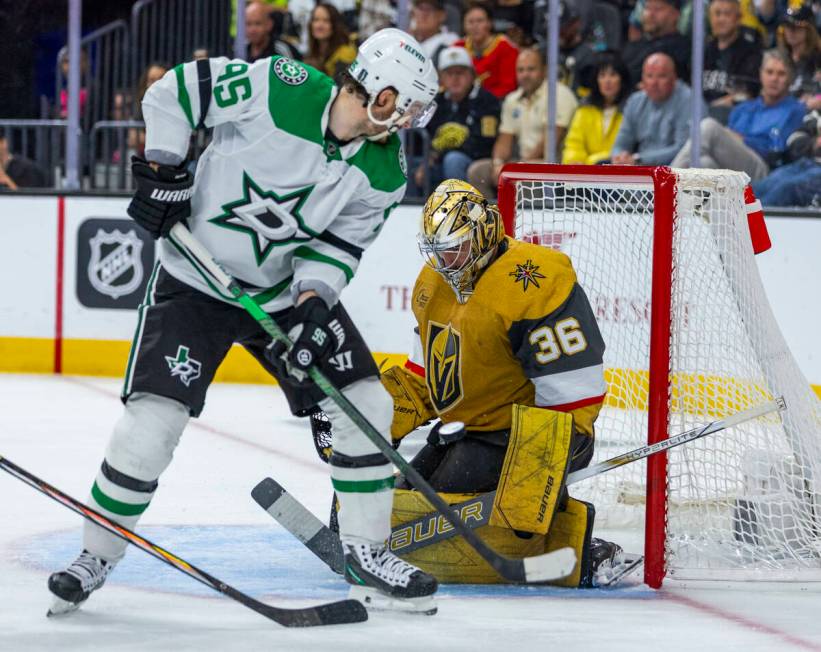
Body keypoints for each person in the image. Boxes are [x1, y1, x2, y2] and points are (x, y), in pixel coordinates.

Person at [47, 28, 442, 617]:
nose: (409, 120)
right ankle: (95, 555)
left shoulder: (385, 170)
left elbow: (340, 246)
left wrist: (312, 304)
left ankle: (367, 552)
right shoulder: (279, 87)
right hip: (194, 283)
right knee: (152, 421)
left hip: (281, 296)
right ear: (383, 95)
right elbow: (174, 91)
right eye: (406, 105)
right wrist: (163, 167)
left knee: (365, 402)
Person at [327, 179, 622, 587]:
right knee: (403, 501)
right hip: (466, 431)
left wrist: (540, 466)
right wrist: (372, 418)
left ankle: (582, 551)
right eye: (435, 251)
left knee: (433, 521)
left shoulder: (536, 282)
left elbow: (575, 394)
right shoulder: (432, 285)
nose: (445, 260)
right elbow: (424, 379)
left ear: (483, 233)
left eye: (454, 247)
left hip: (529, 435)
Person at [672, 49, 806, 180]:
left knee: (709, 126)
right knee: (703, 163)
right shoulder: (743, 108)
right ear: (761, 74)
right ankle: (673, 197)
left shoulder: (796, 110)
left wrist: (743, 140)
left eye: (781, 74)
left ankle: (663, 187)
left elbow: (778, 152)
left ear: (790, 79)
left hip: (763, 169)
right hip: (734, 171)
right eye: (769, 72)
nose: (774, 79)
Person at [467, 48, 578, 197]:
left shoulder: (559, 94)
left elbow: (550, 141)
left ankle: (519, 219)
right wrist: (498, 163)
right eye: (521, 70)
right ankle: (490, 217)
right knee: (477, 171)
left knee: (522, 178)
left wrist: (517, 169)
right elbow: (505, 138)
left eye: (531, 69)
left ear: (544, 70)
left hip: (553, 164)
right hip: (522, 162)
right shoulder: (512, 100)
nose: (525, 75)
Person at [413, 46, 500, 190]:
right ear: (441, 77)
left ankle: (458, 208)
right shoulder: (435, 103)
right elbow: (423, 137)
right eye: (449, 73)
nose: (455, 78)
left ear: (472, 75)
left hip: (474, 160)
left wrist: (439, 155)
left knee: (453, 160)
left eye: (460, 73)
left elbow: (485, 142)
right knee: (410, 163)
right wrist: (428, 158)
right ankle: (410, 210)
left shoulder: (486, 101)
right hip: (437, 160)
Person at [611, 53, 703, 165]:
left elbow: (684, 149)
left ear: (674, 78)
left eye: (661, 76)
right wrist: (619, 157)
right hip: (640, 166)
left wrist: (639, 159)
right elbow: (620, 143)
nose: (654, 83)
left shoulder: (689, 101)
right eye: (649, 76)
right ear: (642, 79)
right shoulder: (635, 101)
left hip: (676, 168)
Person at [562, 52, 629, 164]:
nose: (607, 81)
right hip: (584, 174)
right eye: (602, 75)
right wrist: (574, 161)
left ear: (622, 79)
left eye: (613, 75)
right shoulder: (584, 109)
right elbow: (574, 144)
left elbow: (624, 150)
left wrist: (593, 161)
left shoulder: (631, 109)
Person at [702, 0, 763, 111]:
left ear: (738, 19)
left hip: (732, 116)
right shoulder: (703, 51)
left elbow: (746, 95)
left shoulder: (750, 52)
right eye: (717, 14)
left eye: (727, 14)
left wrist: (710, 108)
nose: (721, 19)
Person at [752, 108, 821, 205]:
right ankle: (733, 214)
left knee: (787, 188)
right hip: (807, 162)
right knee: (762, 186)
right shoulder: (816, 115)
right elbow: (794, 139)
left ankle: (752, 218)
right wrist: (813, 143)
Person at [454, 3, 520, 99]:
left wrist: (483, 101)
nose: (475, 26)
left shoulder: (506, 48)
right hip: (463, 103)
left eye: (480, 21)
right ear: (464, 25)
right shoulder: (457, 47)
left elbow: (508, 87)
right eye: (470, 22)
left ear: (489, 23)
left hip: (496, 103)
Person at [622, 0, 692, 89]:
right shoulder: (635, 45)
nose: (650, 14)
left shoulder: (681, 48)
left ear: (675, 14)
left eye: (658, 9)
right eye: (647, 8)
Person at [777, 4, 821, 109]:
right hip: (781, 111)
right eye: (787, 26)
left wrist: (819, 98)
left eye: (797, 27)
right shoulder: (776, 57)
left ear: (810, 30)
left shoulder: (818, 57)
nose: (791, 31)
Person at [303, 3, 357, 77]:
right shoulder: (313, 50)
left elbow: (341, 87)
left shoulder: (345, 53)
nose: (319, 25)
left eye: (326, 21)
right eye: (316, 20)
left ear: (335, 25)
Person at [409, 0, 458, 66]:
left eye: (429, 9)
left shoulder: (450, 42)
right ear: (413, 13)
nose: (424, 14)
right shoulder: (404, 39)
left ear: (442, 15)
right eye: (420, 8)